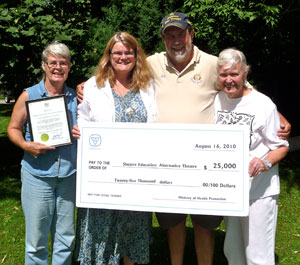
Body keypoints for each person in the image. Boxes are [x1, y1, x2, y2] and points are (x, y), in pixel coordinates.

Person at [76, 12, 291, 265]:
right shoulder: (152, 64)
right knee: (173, 222)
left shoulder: (212, 64)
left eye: (180, 34)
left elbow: (241, 85)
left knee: (204, 223)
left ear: (191, 33)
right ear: (163, 39)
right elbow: (116, 72)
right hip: (165, 161)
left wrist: (278, 115)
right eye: (170, 36)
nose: (176, 40)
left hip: (205, 161)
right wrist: (85, 85)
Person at [73, 32, 156, 265]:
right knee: (102, 229)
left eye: (128, 52)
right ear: (108, 56)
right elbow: (84, 121)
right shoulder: (92, 85)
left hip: (138, 174)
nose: (123, 57)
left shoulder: (148, 85)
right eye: (117, 52)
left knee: (133, 228)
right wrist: (80, 132)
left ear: (136, 55)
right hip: (103, 176)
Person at [214, 48, 289, 264]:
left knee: (258, 254)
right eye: (223, 75)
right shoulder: (217, 100)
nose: (229, 80)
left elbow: (282, 146)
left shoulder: (262, 104)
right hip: (231, 192)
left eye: (234, 74)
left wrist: (264, 162)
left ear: (245, 73)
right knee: (233, 250)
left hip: (259, 190)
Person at [7, 41, 77, 265]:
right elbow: (13, 129)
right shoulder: (29, 95)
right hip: (37, 176)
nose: (58, 67)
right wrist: (27, 146)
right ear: (44, 66)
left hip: (68, 177)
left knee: (66, 238)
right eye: (53, 62)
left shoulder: (77, 98)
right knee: (36, 241)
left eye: (63, 63)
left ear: (69, 67)